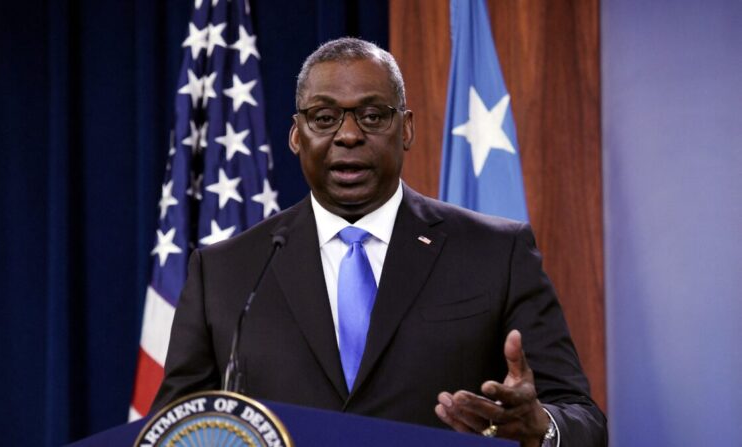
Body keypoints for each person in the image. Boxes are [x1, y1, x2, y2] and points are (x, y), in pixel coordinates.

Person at [152, 37, 607, 446]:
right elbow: (173, 429)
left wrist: (541, 428)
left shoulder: (496, 252)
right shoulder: (226, 272)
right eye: (324, 117)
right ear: (296, 135)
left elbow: (585, 421)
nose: (348, 135)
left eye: (372, 115)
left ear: (405, 129)